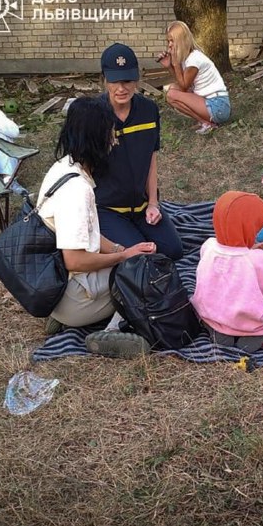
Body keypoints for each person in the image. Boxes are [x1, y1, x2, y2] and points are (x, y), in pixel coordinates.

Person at [37, 97, 156, 358]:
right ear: (96, 139)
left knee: (134, 257)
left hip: (53, 287)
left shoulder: (64, 167)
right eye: (110, 134)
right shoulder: (77, 190)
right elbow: (74, 259)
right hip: (72, 296)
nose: (114, 140)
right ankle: (115, 330)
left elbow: (86, 233)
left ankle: (67, 317)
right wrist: (124, 257)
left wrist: (119, 248)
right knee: (143, 273)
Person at [95, 42, 183, 261]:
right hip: (107, 208)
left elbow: (151, 160)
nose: (121, 88)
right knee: (143, 257)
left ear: (137, 79)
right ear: (105, 79)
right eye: (115, 81)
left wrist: (153, 203)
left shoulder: (149, 110)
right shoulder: (93, 115)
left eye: (127, 80)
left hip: (142, 206)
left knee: (173, 251)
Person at [191, 191, 263, 353]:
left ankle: (219, 332)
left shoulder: (208, 246)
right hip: (250, 320)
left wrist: (248, 247)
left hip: (213, 313)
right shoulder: (259, 260)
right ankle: (254, 337)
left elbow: (230, 256)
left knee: (216, 318)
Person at [157, 20, 231, 134]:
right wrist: (169, 66)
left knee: (172, 94)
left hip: (218, 106)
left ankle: (206, 123)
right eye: (168, 41)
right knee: (172, 88)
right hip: (211, 102)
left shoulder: (194, 59)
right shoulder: (187, 58)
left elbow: (184, 87)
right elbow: (181, 83)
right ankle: (205, 122)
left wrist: (175, 64)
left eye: (172, 41)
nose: (169, 45)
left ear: (181, 41)